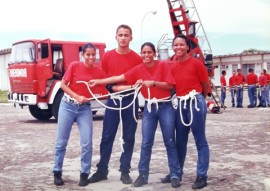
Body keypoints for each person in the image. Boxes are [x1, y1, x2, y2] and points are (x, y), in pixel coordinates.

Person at [89, 42, 181, 188]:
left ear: (154, 53)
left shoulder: (161, 65)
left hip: (164, 106)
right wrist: (99, 81)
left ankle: (175, 175)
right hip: (147, 107)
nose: (146, 55)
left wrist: (154, 83)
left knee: (169, 141)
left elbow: (171, 85)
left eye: (149, 52)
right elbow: (117, 78)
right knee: (144, 143)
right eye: (143, 52)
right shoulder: (137, 68)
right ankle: (141, 175)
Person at [88, 24, 142, 185]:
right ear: (116, 37)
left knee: (129, 137)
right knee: (107, 136)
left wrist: (127, 89)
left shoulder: (137, 58)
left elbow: (137, 82)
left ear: (131, 38)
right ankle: (102, 170)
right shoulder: (107, 57)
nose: (123, 38)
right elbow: (105, 80)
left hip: (130, 100)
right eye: (120, 35)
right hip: (113, 100)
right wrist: (114, 88)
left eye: (126, 35)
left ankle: (124, 170)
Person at [52, 43, 107, 187]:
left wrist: (132, 85)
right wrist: (77, 96)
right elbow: (63, 85)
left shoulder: (98, 71)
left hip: (84, 109)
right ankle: (57, 172)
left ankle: (84, 174)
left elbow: (108, 84)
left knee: (87, 143)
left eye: (93, 55)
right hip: (67, 105)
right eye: (87, 54)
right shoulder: (74, 66)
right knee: (61, 142)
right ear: (82, 55)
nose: (90, 57)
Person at [161, 34, 210, 190]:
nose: (178, 48)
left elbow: (205, 84)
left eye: (181, 45)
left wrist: (199, 101)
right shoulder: (172, 67)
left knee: (200, 140)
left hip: (195, 102)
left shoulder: (196, 64)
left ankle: (201, 175)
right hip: (180, 104)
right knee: (180, 141)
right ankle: (176, 173)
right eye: (175, 45)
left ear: (188, 46)